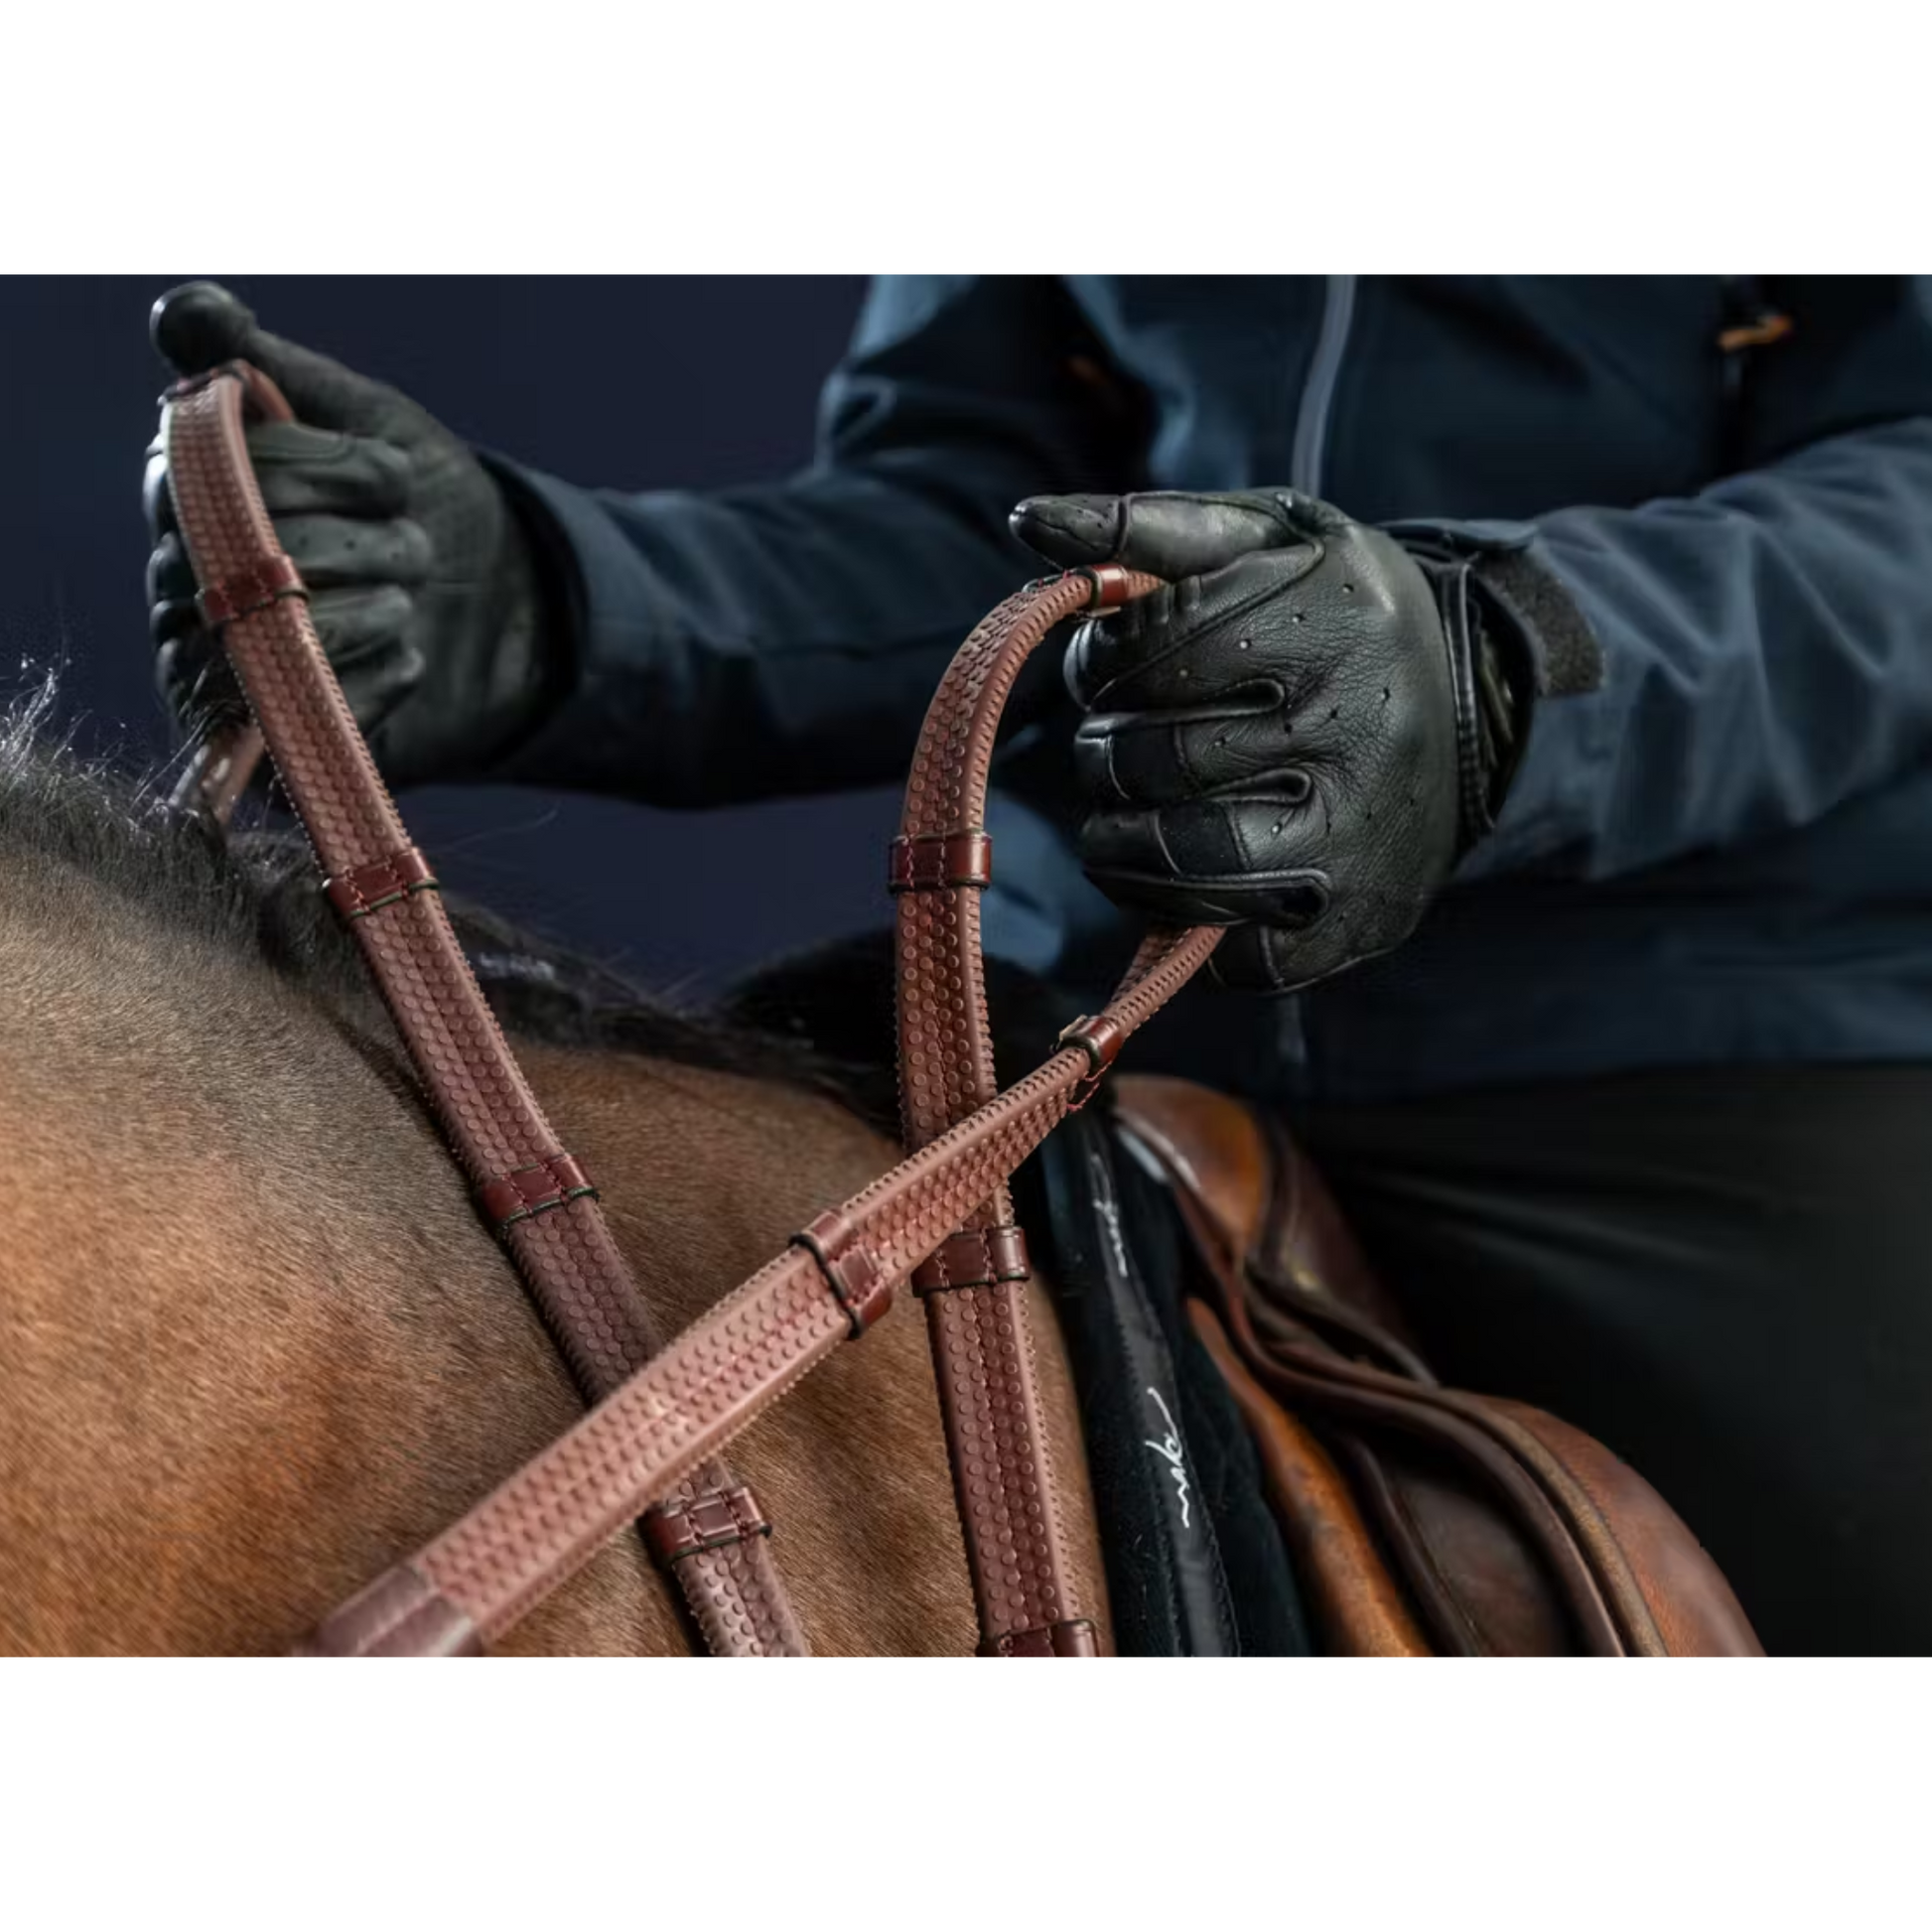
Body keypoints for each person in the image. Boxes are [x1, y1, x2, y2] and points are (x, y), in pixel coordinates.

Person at [145, 273, 1932, 1659]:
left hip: (1701, 1032)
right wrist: (571, 601)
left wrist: (1503, 668)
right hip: (1111, 1021)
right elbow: (990, 507)